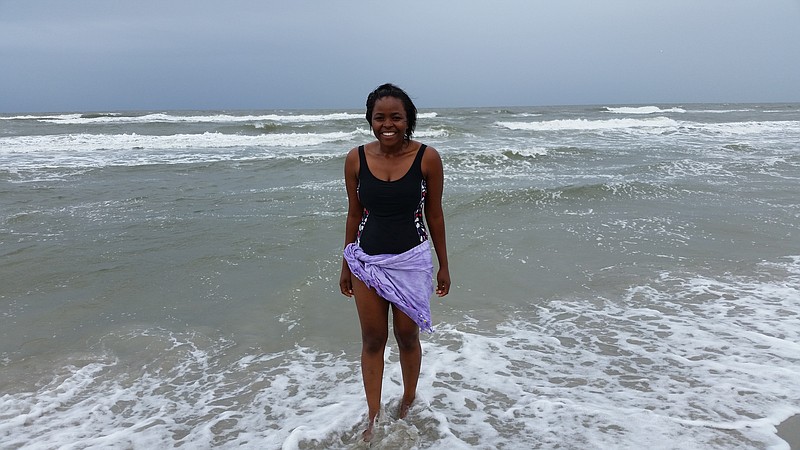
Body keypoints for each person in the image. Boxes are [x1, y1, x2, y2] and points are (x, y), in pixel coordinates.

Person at [339, 83, 451, 441]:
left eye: (396, 117)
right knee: (372, 339)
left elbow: (434, 214)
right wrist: (346, 263)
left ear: (408, 120)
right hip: (367, 263)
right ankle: (374, 416)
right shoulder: (356, 158)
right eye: (379, 117)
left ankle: (407, 400)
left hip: (413, 260)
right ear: (370, 120)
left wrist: (444, 264)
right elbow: (354, 214)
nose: (387, 124)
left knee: (407, 335)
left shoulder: (427, 158)